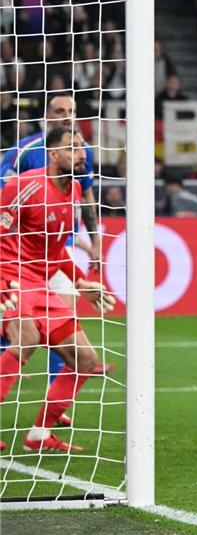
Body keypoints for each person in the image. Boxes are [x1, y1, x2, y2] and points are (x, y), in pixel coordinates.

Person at [0, 127, 116, 452]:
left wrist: (80, 283)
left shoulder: (75, 190)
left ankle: (39, 434)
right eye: (72, 149)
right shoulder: (24, 185)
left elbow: (55, 250)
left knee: (86, 359)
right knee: (27, 338)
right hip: (11, 278)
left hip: (43, 285)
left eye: (82, 148)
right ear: (53, 154)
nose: (81, 154)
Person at [0, 94, 101, 394]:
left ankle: (52, 397)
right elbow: (7, 197)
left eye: (72, 110)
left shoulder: (83, 154)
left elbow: (86, 197)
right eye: (60, 110)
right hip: (17, 259)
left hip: (56, 252)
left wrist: (93, 242)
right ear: (47, 115)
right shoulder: (26, 151)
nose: (67, 116)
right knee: (25, 333)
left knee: (65, 322)